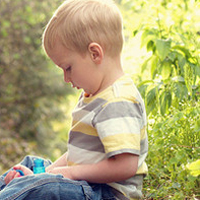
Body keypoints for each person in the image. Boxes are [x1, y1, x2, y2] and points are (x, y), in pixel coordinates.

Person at [0, 0, 148, 199]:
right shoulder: (94, 95)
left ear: (95, 53)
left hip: (105, 193)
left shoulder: (117, 100)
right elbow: (77, 155)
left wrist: (68, 174)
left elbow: (126, 165)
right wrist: (47, 173)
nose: (66, 79)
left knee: (46, 187)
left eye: (68, 68)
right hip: (85, 185)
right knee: (30, 165)